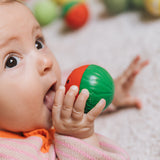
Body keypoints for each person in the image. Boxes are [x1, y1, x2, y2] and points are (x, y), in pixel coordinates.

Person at [0, 0, 149, 160]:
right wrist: (78, 138)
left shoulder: (48, 91)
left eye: (38, 43)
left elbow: (72, 91)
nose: (46, 62)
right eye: (11, 61)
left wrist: (107, 95)